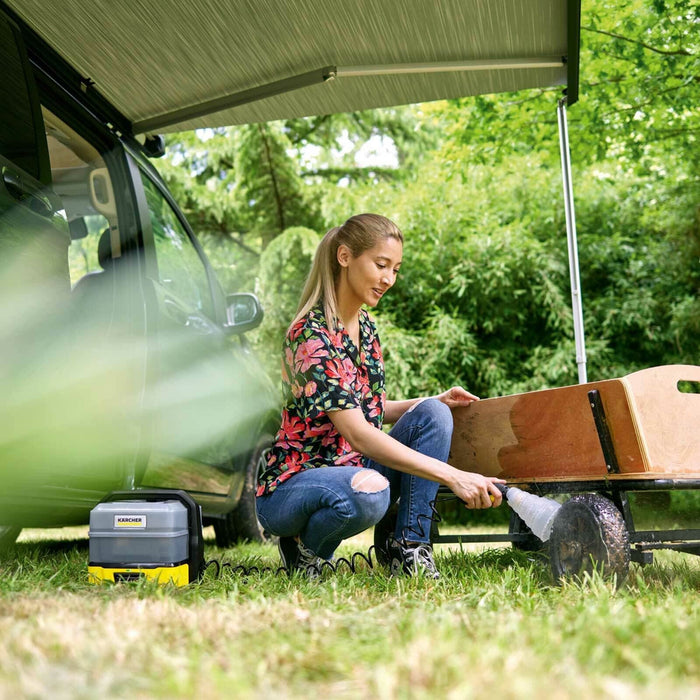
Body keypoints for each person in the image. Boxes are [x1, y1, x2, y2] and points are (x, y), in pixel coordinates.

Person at [256, 213, 505, 578]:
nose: (389, 279)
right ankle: (304, 550)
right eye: (381, 265)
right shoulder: (309, 334)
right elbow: (358, 433)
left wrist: (435, 401)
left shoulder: (366, 327)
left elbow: (369, 410)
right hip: (295, 484)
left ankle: (410, 548)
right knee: (370, 493)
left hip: (350, 468)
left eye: (396, 269)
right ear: (345, 258)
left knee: (434, 413)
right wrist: (454, 476)